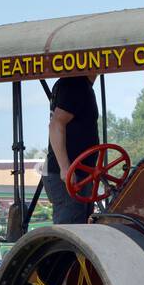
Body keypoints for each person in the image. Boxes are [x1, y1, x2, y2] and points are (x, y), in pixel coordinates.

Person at [44, 75, 100, 225]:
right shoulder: (75, 85)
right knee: (71, 228)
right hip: (68, 177)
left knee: (80, 227)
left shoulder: (79, 85)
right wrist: (66, 169)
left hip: (80, 175)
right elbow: (56, 125)